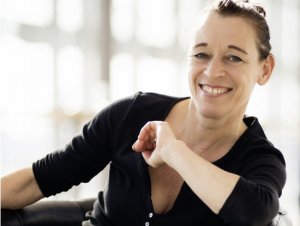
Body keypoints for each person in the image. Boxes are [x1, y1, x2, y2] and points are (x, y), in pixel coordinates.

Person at [1, 0, 286, 225]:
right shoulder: (131, 114)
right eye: (201, 54)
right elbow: (39, 179)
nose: (212, 71)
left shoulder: (261, 159)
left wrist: (174, 151)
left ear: (264, 69)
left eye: (234, 57)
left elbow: (250, 213)